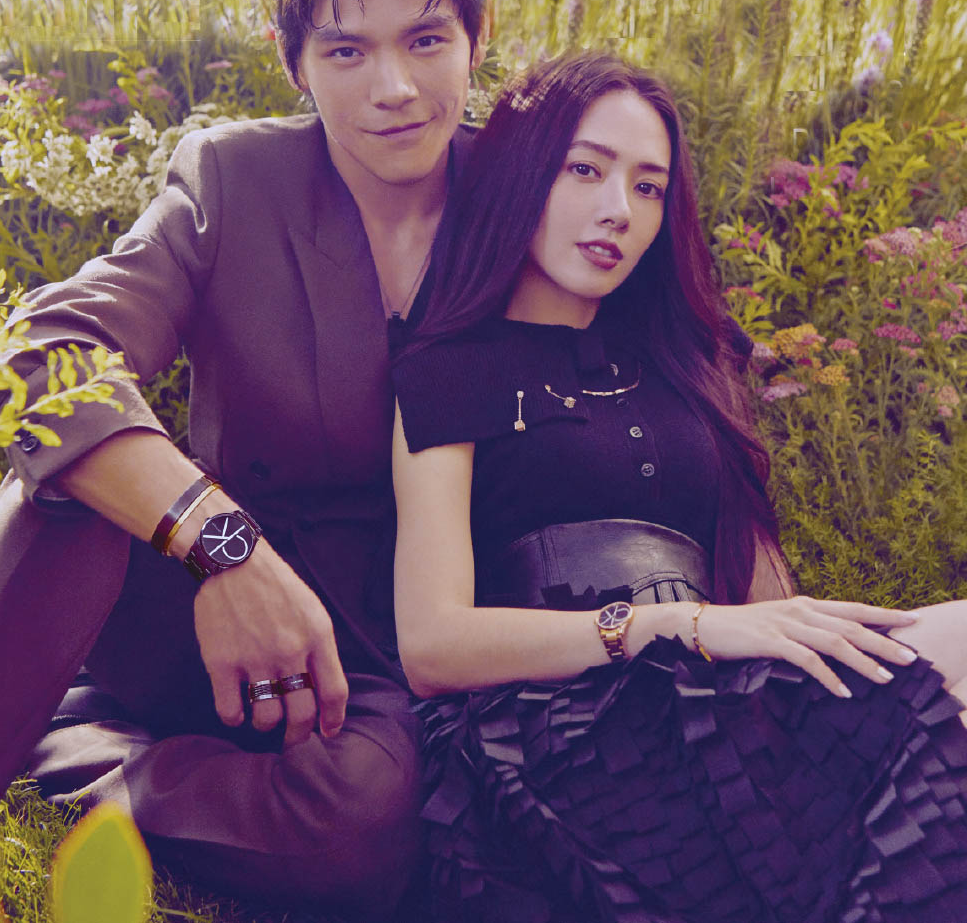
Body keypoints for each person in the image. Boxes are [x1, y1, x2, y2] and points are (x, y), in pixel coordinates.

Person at [0, 0, 489, 918]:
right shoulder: (236, 179)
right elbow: (44, 350)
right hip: (192, 598)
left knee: (365, 821)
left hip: (374, 660)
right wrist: (224, 546)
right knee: (69, 472)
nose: (394, 87)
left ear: (476, 36)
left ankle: (85, 761)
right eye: (346, 51)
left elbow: (675, 389)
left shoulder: (527, 195)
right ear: (294, 64)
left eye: (425, 40)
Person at [390, 51, 967, 923]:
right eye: (585, 170)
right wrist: (671, 625)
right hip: (554, 736)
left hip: (714, 701)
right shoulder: (447, 369)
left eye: (649, 187)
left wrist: (779, 655)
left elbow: (769, 603)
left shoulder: (689, 360)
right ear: (520, 175)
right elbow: (434, 646)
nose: (618, 210)